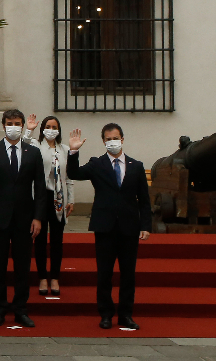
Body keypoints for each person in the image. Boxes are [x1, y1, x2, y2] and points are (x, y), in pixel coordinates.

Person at [67, 124, 151, 330]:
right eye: (107, 139)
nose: (112, 141)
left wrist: (145, 225)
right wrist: (73, 151)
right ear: (103, 141)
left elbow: (144, 200)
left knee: (128, 274)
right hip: (104, 226)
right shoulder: (97, 164)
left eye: (115, 138)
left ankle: (125, 315)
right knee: (104, 273)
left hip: (129, 227)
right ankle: (105, 314)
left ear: (122, 139)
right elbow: (74, 173)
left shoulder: (136, 166)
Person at [0, 109, 46, 328]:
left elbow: (39, 187)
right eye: (9, 123)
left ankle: (20, 309)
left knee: (22, 268)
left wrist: (38, 217)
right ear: (3, 125)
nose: (14, 126)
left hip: (24, 218)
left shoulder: (32, 152)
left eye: (17, 123)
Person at [24, 114, 74, 297]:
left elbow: (69, 178)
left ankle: (55, 277)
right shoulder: (37, 146)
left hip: (59, 198)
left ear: (58, 130)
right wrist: (29, 129)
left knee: (57, 240)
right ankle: (42, 277)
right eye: (48, 127)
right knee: (40, 238)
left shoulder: (65, 149)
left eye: (54, 127)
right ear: (42, 129)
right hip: (41, 196)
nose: (51, 130)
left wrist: (71, 199)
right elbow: (24, 144)